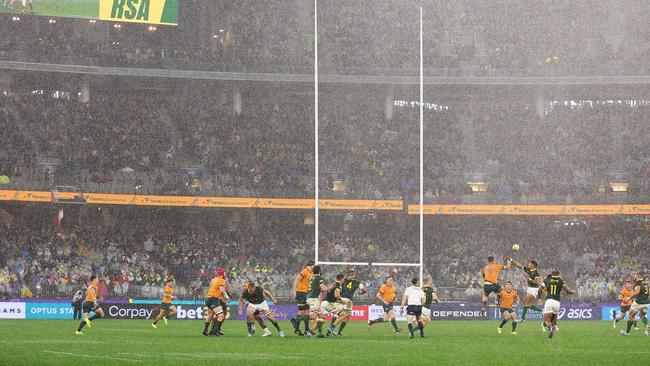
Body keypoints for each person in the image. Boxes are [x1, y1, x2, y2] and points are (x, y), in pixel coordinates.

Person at [539, 269, 575, 342]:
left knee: (546, 320)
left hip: (549, 301)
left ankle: (546, 324)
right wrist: (572, 292)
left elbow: (540, 290)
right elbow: (568, 291)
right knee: (554, 322)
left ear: (552, 273)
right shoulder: (561, 281)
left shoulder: (547, 280)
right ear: (558, 274)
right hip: (557, 303)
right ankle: (550, 337)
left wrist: (539, 298)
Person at [329, 269, 367, 336]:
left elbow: (334, 286)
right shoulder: (357, 282)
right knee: (347, 316)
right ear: (354, 275)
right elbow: (365, 289)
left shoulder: (343, 280)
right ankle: (337, 331)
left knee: (337, 314)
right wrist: (361, 293)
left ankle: (329, 330)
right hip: (348, 300)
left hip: (340, 299)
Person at [289, 260, 314, 336]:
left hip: (305, 293)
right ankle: (300, 326)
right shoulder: (305, 271)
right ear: (311, 265)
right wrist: (294, 290)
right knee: (303, 311)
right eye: (314, 266)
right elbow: (297, 279)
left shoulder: (310, 273)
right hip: (300, 292)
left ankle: (298, 328)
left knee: (305, 311)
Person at [203, 268, 229, 337]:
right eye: (224, 272)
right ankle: (215, 331)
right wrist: (227, 297)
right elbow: (222, 291)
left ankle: (205, 330)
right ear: (222, 274)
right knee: (221, 316)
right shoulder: (221, 280)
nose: (225, 273)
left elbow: (211, 287)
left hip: (208, 298)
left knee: (210, 315)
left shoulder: (214, 279)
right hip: (213, 299)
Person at [306, 265, 326, 338]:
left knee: (322, 316)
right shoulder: (319, 278)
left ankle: (315, 332)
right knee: (314, 316)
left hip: (309, 297)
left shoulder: (311, 278)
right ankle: (297, 320)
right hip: (314, 298)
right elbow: (323, 289)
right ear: (319, 271)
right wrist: (330, 287)